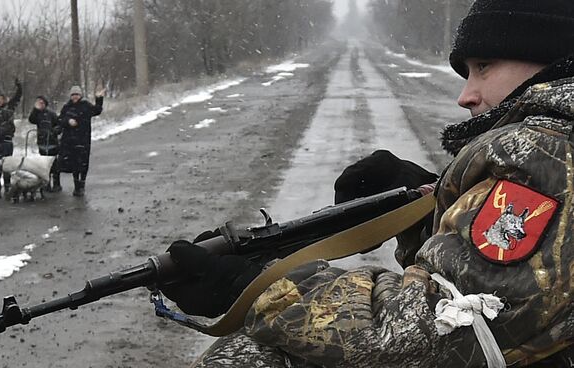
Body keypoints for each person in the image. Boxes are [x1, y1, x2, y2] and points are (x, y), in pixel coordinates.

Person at [159, 0, 574, 366]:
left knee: (251, 355)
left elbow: (430, 333)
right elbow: (503, 295)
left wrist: (259, 285)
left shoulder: (547, 154)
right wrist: (429, 210)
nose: (465, 95)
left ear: (552, 57)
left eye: (483, 67)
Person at [58, 85, 105, 197]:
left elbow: (97, 111)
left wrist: (99, 99)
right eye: (73, 95)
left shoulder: (86, 105)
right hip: (69, 140)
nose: (75, 97)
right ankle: (76, 186)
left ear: (80, 95)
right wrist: (68, 121)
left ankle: (82, 184)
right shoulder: (66, 107)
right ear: (70, 96)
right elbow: (60, 120)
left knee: (83, 163)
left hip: (83, 139)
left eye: (77, 94)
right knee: (73, 163)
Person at [0, 79, 22, 199]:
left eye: (1, 99)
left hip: (8, 141)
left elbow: (17, 99)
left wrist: (19, 88)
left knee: (8, 166)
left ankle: (7, 186)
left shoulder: (8, 109)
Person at [28, 95, 62, 192]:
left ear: (45, 104)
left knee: (54, 164)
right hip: (42, 142)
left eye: (42, 102)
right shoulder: (36, 114)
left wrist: (55, 131)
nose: (40, 104)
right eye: (38, 102)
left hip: (52, 142)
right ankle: (46, 183)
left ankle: (57, 184)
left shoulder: (51, 114)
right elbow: (31, 120)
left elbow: (59, 125)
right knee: (44, 165)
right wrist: (35, 109)